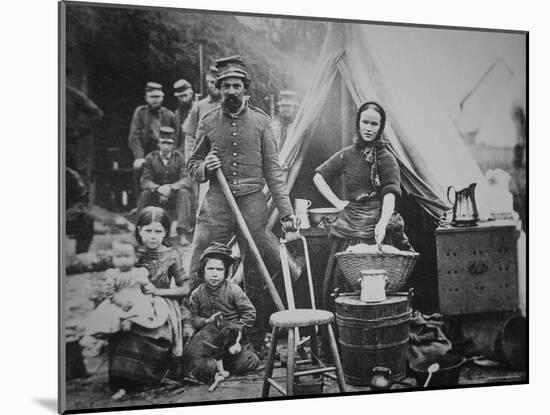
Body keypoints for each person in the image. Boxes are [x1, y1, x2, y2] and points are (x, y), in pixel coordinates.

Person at [186, 55, 299, 350]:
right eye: (226, 86)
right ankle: (193, 331)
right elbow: (192, 164)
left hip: (252, 204)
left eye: (237, 86)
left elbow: (274, 173)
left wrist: (286, 213)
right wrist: (205, 168)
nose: (232, 91)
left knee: (256, 269)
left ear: (246, 89)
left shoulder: (261, 122)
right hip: (217, 201)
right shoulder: (209, 121)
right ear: (219, 89)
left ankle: (255, 336)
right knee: (200, 256)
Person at [312, 101, 413, 306]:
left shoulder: (387, 158)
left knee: (377, 289)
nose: (368, 128)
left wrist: (383, 223)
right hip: (349, 227)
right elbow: (318, 176)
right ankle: (344, 333)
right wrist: (337, 202)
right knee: (341, 284)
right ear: (358, 123)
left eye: (374, 124)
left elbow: (390, 195)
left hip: (376, 228)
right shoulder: (347, 154)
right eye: (365, 122)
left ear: (381, 127)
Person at [107, 207, 192, 400]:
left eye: (158, 231)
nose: (153, 237)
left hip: (161, 303)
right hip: (132, 301)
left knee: (152, 331)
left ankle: (148, 378)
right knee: (124, 329)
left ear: (166, 232)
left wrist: (158, 291)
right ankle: (122, 381)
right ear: (138, 230)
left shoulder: (171, 254)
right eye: (148, 231)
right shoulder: (131, 252)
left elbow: (184, 289)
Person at [79, 240, 168, 358]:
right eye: (118, 257)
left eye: (126, 256)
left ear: (135, 258)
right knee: (107, 316)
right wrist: (120, 303)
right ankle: (102, 338)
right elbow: (109, 292)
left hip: (138, 299)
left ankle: (131, 322)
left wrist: (149, 297)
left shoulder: (139, 272)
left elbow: (147, 287)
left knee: (144, 311)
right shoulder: (112, 274)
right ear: (113, 258)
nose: (122, 260)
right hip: (119, 300)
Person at [187, 242, 260, 375]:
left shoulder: (234, 291)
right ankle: (218, 364)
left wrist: (238, 329)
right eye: (210, 269)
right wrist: (206, 321)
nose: (215, 274)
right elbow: (193, 318)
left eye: (219, 270)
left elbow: (249, 312)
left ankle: (249, 355)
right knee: (198, 366)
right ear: (202, 270)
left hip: (234, 339)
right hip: (210, 340)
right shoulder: (197, 294)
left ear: (226, 272)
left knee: (242, 366)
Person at [137, 126, 195, 245]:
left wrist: (170, 187)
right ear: (158, 144)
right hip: (156, 195)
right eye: (163, 143)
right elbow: (145, 180)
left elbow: (187, 180)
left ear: (173, 145)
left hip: (174, 196)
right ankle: (139, 232)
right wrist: (158, 188)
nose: (166, 146)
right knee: (145, 194)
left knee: (184, 192)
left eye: (169, 143)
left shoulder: (179, 158)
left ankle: (182, 234)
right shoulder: (151, 158)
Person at [128, 82, 176, 196]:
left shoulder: (169, 115)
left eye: (158, 97)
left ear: (162, 97)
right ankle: (140, 201)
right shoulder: (140, 113)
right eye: (152, 97)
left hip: (165, 152)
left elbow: (177, 136)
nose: (155, 100)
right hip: (146, 153)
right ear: (146, 98)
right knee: (138, 167)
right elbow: (134, 136)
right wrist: (139, 156)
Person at [182, 65, 222, 165]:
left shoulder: (231, 106)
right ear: (207, 83)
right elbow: (190, 136)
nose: (215, 86)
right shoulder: (199, 107)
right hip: (204, 163)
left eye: (218, 83)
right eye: (212, 82)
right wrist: (190, 161)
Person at [66, 166, 94, 254]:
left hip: (67, 216)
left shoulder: (70, 175)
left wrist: (68, 213)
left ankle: (81, 255)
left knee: (86, 219)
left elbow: (82, 200)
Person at [172, 79, 194, 153]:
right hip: (180, 155)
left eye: (185, 95)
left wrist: (179, 152)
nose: (183, 99)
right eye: (181, 96)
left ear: (191, 93)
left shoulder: (198, 110)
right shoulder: (177, 114)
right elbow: (176, 137)